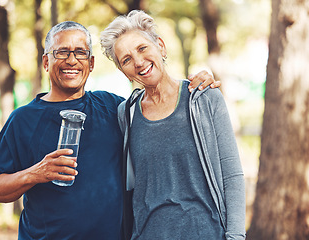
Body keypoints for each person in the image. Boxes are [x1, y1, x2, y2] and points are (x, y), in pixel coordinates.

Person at [0, 21, 218, 240]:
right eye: (62, 52)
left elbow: (160, 108)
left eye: (80, 53)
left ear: (91, 63)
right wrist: (36, 173)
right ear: (46, 62)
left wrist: (193, 87)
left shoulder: (114, 108)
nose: (71, 60)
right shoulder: (22, 119)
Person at [100, 10, 246, 240]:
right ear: (123, 71)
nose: (138, 62)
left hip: (206, 233)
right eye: (126, 60)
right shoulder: (125, 114)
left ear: (161, 46)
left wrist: (236, 236)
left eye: (142, 48)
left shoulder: (204, 98)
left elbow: (232, 175)